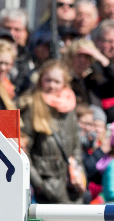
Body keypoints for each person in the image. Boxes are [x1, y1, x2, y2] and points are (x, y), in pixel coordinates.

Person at [20, 60, 84, 204]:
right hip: (46, 184)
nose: (52, 85)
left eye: (57, 81)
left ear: (64, 84)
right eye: (48, 80)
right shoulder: (31, 106)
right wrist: (39, 184)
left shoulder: (69, 107)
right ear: (40, 81)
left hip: (70, 183)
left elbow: (76, 144)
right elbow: (23, 148)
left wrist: (79, 172)